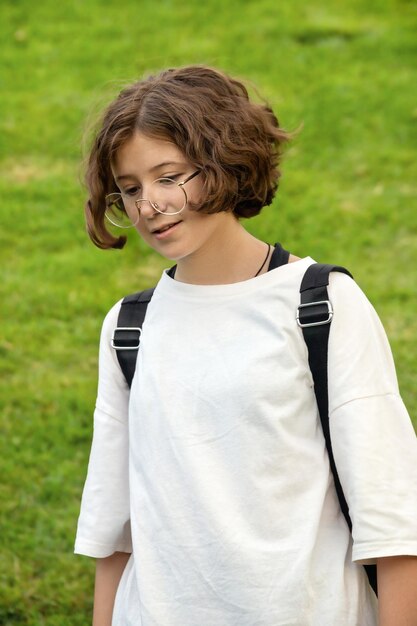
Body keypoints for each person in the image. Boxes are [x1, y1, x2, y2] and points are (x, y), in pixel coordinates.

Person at [74, 65, 417, 626]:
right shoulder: (129, 328)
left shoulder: (322, 306)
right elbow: (116, 529)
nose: (149, 206)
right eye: (131, 188)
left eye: (169, 176)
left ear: (223, 162)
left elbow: (394, 518)